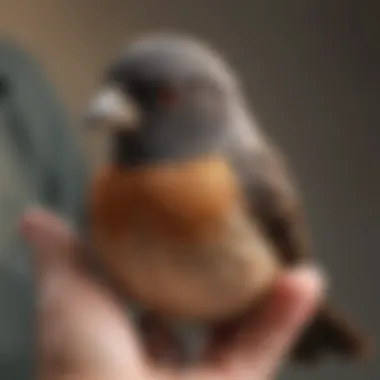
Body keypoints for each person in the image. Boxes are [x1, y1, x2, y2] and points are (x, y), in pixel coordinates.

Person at [0, 41, 324, 380]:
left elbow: (290, 256)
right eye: (116, 92)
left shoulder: (249, 174)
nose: (112, 107)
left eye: (162, 97)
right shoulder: (108, 186)